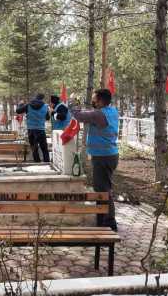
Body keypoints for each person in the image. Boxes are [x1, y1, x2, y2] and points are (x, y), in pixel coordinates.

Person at [70, 89, 119, 231]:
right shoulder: (112, 111)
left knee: (103, 190)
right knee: (104, 188)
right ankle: (102, 217)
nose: (92, 101)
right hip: (109, 154)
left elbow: (78, 115)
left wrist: (74, 103)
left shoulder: (98, 114)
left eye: (94, 99)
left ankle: (109, 223)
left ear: (101, 101)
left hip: (103, 156)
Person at [16, 94, 50, 162]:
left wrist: (20, 104)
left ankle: (37, 162)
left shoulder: (28, 105)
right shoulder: (45, 106)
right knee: (44, 148)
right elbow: (47, 118)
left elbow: (18, 111)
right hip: (40, 129)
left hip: (31, 129)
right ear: (42, 99)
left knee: (34, 147)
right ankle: (47, 162)